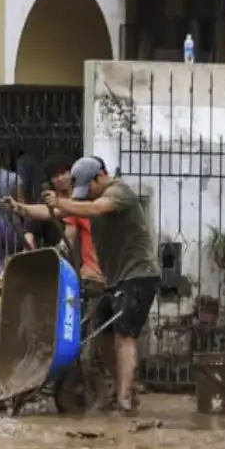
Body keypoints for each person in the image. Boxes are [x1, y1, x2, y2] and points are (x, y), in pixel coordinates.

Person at [44, 156, 159, 415]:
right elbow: (60, 212)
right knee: (105, 334)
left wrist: (62, 202)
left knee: (124, 335)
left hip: (139, 274)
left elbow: (95, 209)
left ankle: (125, 402)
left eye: (89, 188)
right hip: (114, 278)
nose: (87, 196)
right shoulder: (90, 198)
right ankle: (124, 388)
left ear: (100, 176)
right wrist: (22, 208)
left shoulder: (120, 192)